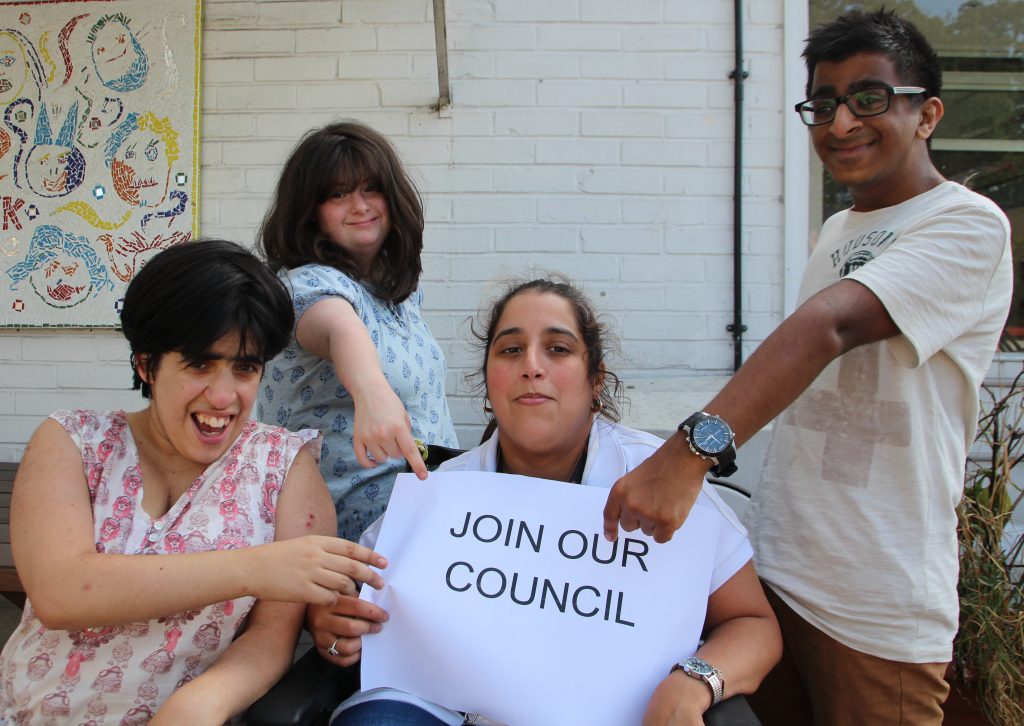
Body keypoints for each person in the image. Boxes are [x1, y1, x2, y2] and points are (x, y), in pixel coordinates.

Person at [602, 10, 1013, 725]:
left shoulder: (967, 223)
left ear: (928, 113)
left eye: (870, 98)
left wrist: (688, 452)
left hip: (880, 599)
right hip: (785, 576)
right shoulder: (838, 230)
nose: (841, 122)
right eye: (823, 103)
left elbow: (832, 326)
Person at [310, 277, 782, 726]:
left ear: (596, 379)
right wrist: (335, 625)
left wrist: (694, 684)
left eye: (558, 349)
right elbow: (351, 599)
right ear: (488, 386)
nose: (531, 366)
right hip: (440, 707)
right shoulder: (437, 494)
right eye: (511, 349)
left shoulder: (661, 478)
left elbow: (753, 624)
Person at [0, 240, 387, 724]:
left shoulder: (284, 465)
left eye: (245, 367)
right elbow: (62, 592)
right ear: (146, 365)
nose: (224, 396)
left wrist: (199, 705)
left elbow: (269, 640)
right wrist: (254, 567)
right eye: (199, 364)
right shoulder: (73, 442)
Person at [257, 121, 458, 541]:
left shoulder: (399, 297)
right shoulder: (304, 285)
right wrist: (371, 390)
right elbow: (339, 327)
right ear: (310, 211)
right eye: (337, 194)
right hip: (346, 536)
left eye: (371, 188)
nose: (360, 205)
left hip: (422, 525)